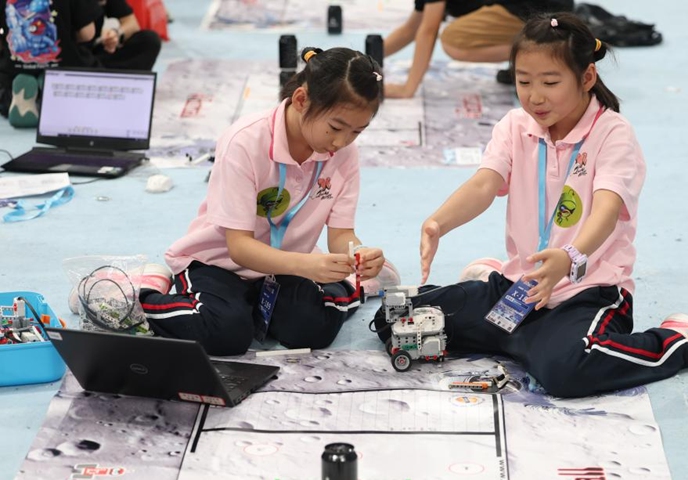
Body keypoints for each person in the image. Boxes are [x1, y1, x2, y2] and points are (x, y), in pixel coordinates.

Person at [372, 13, 688, 398]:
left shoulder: (613, 134)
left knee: (565, 371)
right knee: (395, 320)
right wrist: (438, 222)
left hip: (587, 292)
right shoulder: (516, 125)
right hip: (521, 285)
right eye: (524, 81)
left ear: (586, 78)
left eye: (550, 82)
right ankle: (516, 327)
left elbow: (605, 209)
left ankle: (682, 342)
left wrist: (569, 257)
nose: (535, 96)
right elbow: (486, 183)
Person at [68, 47, 401, 356]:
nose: (342, 142)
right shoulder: (245, 141)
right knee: (225, 333)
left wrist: (356, 253)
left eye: (357, 132)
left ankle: (353, 282)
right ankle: (137, 297)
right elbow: (239, 247)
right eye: (336, 127)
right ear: (301, 99)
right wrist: (307, 266)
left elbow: (341, 234)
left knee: (312, 331)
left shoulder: (344, 154)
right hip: (219, 262)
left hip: (286, 266)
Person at [383, 0, 573, 98]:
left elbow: (428, 31)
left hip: (537, 9)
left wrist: (408, 88)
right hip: (536, 7)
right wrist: (366, 56)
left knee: (454, 40)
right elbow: (410, 30)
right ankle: (537, 52)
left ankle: (548, 50)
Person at [0, 0, 101, 126]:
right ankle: (52, 93)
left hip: (14, 72)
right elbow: (87, 34)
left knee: (5, 90)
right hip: (65, 69)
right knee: (85, 73)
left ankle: (19, 100)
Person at [90, 0, 161, 71]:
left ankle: (124, 77)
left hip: (98, 52)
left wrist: (116, 33)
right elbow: (83, 34)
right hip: (81, 51)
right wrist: (100, 32)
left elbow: (132, 23)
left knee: (149, 40)